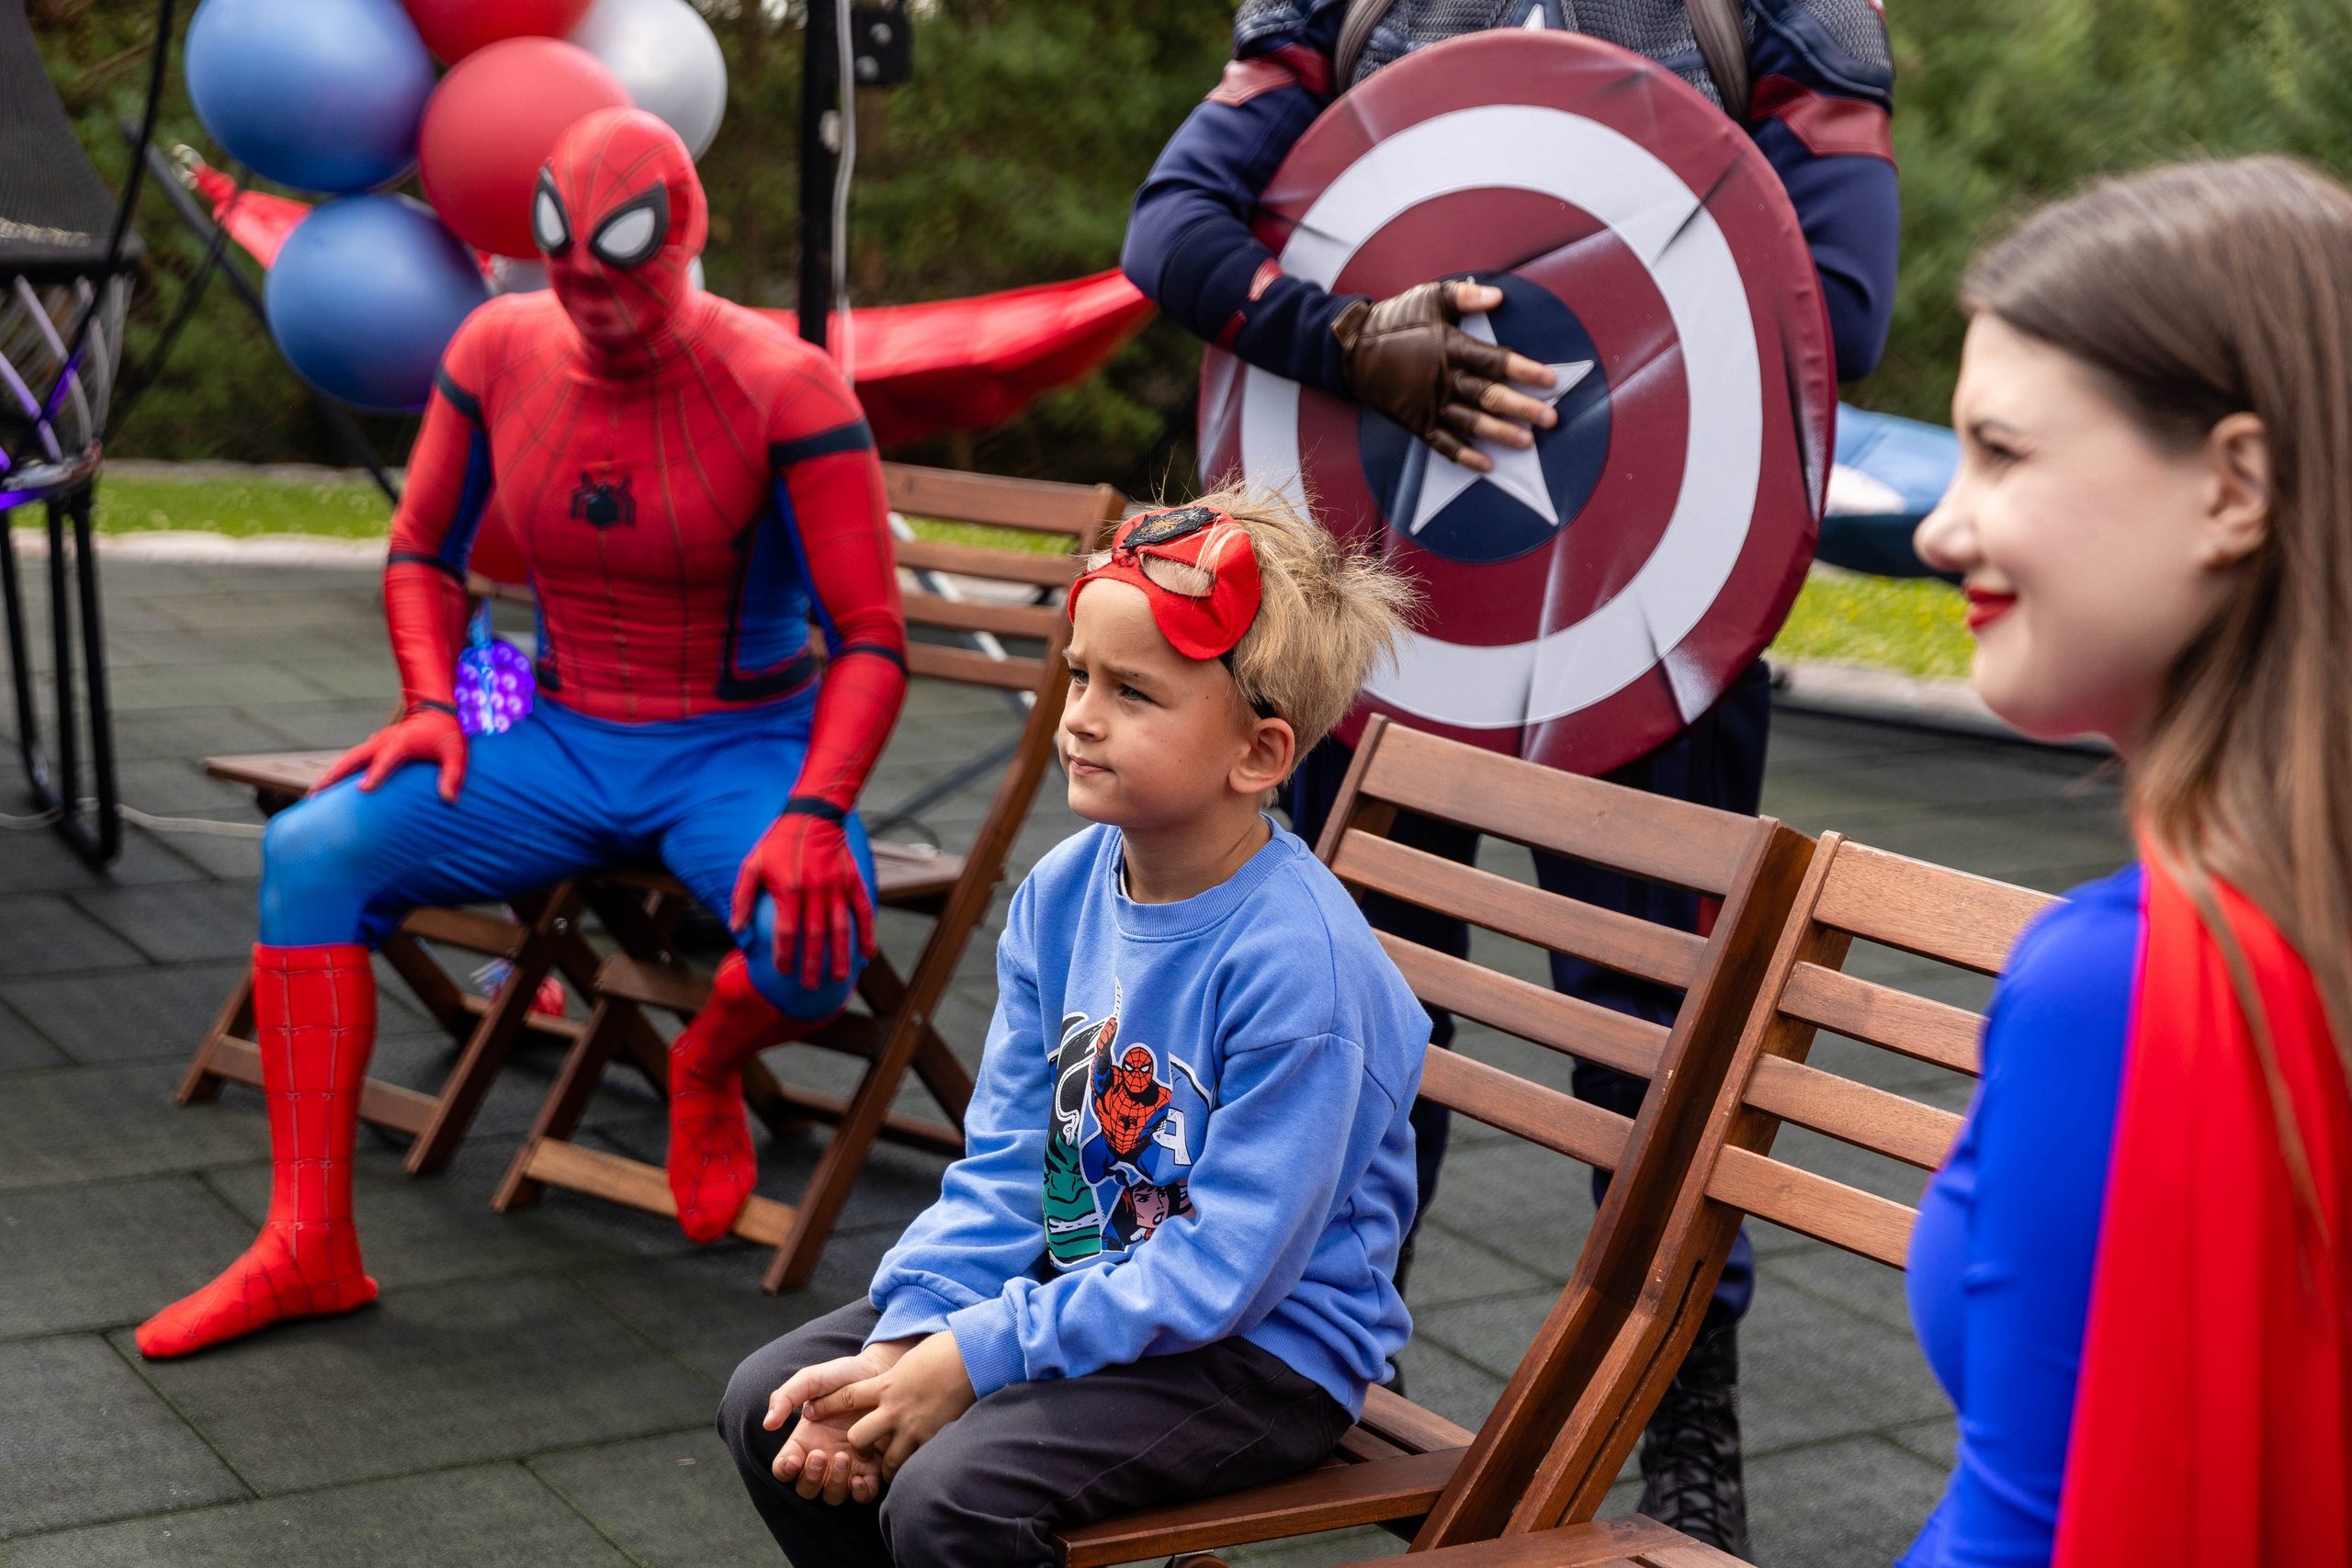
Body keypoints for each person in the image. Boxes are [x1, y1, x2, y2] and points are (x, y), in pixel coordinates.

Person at [1119, 0, 1903, 1548]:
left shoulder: (1773, 18)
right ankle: (1313, 1371)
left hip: (1651, 616)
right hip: (1380, 612)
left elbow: (1841, 307)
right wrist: (1345, 338)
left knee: (1659, 1058)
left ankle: (1687, 1411)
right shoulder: (1345, 11)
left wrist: (1600, 274)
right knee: (1342, 1018)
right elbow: (1174, 228)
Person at [136, 107, 908, 1359]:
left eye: (626, 273)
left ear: (686, 239)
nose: (595, 302)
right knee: (312, 852)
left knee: (814, 943)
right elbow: (421, 553)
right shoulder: (497, 347)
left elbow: (872, 633)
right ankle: (306, 1242)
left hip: (738, 746)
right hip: (551, 731)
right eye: (571, 273)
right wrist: (433, 699)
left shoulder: (784, 383)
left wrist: (819, 810)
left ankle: (705, 1065)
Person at [717, 492, 1429, 1565]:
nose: (1081, 715)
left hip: (1263, 1353)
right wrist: (919, 1329)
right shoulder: (1063, 892)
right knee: (770, 1403)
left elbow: (1222, 1273)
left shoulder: (1303, 975)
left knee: (951, 1501)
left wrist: (972, 1359)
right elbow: (1008, 1162)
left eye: (1134, 693)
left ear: (1258, 753)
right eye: (1079, 675)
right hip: (1091, 1286)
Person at [1905, 157, 2352, 1567]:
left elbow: (2027, 1534)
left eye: (2004, 451)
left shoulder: (2130, 981)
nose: (1940, 524)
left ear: (2234, 486)